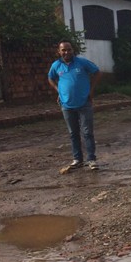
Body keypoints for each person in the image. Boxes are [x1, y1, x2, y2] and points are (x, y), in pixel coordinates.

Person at [47, 40, 102, 171]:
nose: (66, 52)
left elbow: (97, 72)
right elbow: (50, 78)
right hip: (66, 105)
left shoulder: (81, 62)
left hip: (84, 103)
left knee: (87, 132)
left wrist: (91, 90)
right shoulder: (56, 65)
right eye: (63, 50)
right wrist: (58, 90)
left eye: (69, 49)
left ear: (73, 50)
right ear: (59, 52)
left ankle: (91, 160)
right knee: (73, 133)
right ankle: (77, 159)